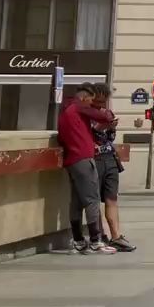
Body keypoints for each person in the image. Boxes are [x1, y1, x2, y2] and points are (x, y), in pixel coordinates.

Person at [57, 82, 117, 254]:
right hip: (83, 158)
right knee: (92, 199)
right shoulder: (79, 107)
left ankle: (78, 240)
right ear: (84, 97)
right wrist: (104, 112)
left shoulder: (66, 109)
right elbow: (106, 118)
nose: (92, 104)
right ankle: (96, 241)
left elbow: (61, 137)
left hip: (71, 160)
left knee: (76, 201)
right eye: (91, 101)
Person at [89, 84, 134, 252]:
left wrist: (112, 127)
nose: (103, 102)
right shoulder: (87, 113)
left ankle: (116, 236)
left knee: (111, 198)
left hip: (110, 158)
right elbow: (87, 134)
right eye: (100, 98)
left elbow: (111, 136)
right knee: (95, 199)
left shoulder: (107, 113)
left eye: (105, 98)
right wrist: (100, 128)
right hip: (96, 158)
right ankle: (100, 235)